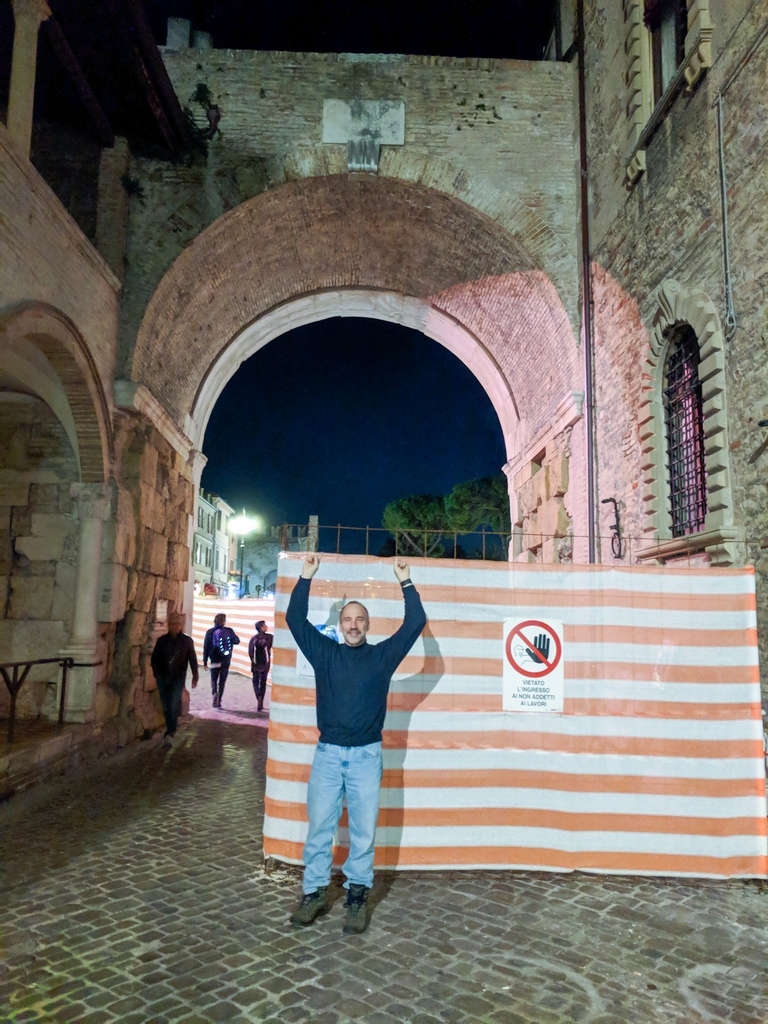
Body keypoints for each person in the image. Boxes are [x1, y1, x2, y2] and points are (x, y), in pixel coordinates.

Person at [286, 553, 426, 934]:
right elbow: (294, 619)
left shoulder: (382, 657)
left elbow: (415, 622)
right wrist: (306, 576)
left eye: (359, 619)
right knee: (319, 828)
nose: (353, 625)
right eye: (347, 619)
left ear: (368, 625)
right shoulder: (325, 654)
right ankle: (314, 893)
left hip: (366, 756)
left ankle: (358, 897)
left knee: (363, 833)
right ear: (340, 625)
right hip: (328, 754)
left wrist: (406, 581)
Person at [150, 612, 199, 746]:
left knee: (173, 703)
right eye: (172, 624)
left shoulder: (186, 641)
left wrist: (195, 675)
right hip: (163, 677)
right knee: (166, 705)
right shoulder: (162, 641)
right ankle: (171, 727)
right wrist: (157, 674)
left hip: (178, 677)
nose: (174, 626)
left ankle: (170, 732)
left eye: (176, 624)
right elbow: (155, 659)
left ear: (180, 625)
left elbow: (192, 659)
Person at [203, 613, 240, 708]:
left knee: (214, 679)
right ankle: (219, 699)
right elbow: (237, 641)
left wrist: (205, 661)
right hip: (225, 660)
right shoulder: (229, 631)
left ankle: (214, 693)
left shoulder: (210, 632)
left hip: (214, 659)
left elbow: (206, 647)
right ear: (224, 621)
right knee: (222, 680)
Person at [248, 619, 273, 712]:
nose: (266, 627)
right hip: (265, 664)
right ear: (261, 628)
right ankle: (261, 702)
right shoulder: (270, 637)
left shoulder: (253, 639)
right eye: (265, 625)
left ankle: (258, 696)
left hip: (256, 664)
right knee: (263, 682)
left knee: (255, 682)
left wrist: (253, 662)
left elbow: (250, 652)